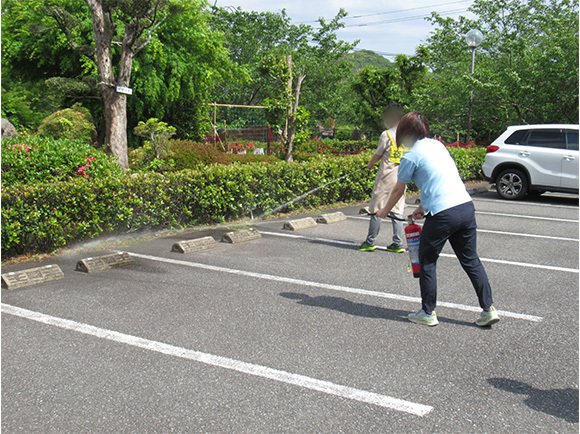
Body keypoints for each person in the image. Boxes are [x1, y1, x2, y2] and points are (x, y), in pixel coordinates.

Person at [376, 111, 500, 327]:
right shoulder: (437, 146)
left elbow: (398, 189)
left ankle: (428, 312)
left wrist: (384, 210)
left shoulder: (411, 156)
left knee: (427, 261)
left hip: (444, 214)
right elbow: (438, 178)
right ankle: (488, 309)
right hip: (464, 206)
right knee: (470, 260)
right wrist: (423, 207)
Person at [359, 104, 408, 253]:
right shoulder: (407, 135)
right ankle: (398, 243)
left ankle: (370, 241)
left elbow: (378, 154)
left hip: (386, 176)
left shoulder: (386, 135)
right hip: (401, 177)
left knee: (376, 208)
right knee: (397, 210)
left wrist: (370, 164)